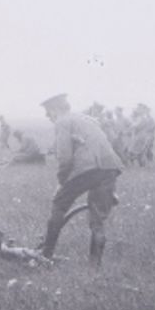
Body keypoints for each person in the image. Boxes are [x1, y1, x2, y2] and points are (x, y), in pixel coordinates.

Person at [38, 92, 123, 265]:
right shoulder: (88, 119)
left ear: (56, 109)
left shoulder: (63, 122)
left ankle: (45, 256)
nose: (47, 116)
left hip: (87, 168)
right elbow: (109, 140)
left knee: (58, 205)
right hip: (110, 167)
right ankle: (94, 267)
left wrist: (62, 181)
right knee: (98, 220)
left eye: (48, 111)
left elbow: (65, 157)